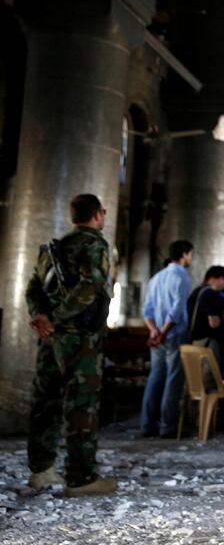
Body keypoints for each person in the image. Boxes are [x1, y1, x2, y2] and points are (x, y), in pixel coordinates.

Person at [24, 194, 116, 496]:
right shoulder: (94, 244)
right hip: (80, 336)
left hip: (51, 335)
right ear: (98, 214)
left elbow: (33, 288)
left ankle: (41, 469)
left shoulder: (54, 247)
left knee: (46, 398)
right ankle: (81, 477)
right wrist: (56, 317)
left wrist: (42, 317)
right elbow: (91, 286)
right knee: (81, 403)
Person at [141, 239, 194, 440]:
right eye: (190, 254)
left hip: (156, 334)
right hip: (174, 333)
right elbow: (177, 309)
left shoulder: (157, 277)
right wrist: (163, 331)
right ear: (185, 254)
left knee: (155, 377)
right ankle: (167, 426)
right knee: (173, 380)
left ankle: (147, 424)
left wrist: (154, 331)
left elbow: (147, 310)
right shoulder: (181, 276)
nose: (191, 258)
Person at [188, 265, 224, 358]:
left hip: (194, 338)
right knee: (210, 366)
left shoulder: (197, 291)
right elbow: (214, 323)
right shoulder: (213, 294)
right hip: (208, 341)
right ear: (220, 279)